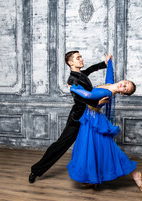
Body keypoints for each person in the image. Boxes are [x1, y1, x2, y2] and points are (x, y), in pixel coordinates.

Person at [29, 51, 111, 183]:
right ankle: (36, 170)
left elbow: (90, 69)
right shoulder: (72, 80)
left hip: (90, 115)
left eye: (81, 57)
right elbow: (80, 99)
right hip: (78, 118)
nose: (81, 59)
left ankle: (96, 175)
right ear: (70, 63)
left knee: (97, 142)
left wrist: (104, 64)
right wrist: (97, 102)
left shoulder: (81, 74)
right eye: (78, 58)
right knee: (61, 145)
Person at [67, 80, 142, 191]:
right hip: (90, 119)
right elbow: (109, 75)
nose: (123, 85)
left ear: (122, 93)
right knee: (93, 150)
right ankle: (92, 179)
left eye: (125, 88)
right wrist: (108, 63)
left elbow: (89, 95)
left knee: (107, 150)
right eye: (126, 83)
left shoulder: (108, 93)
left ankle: (135, 174)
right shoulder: (110, 85)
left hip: (95, 122)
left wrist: (73, 88)